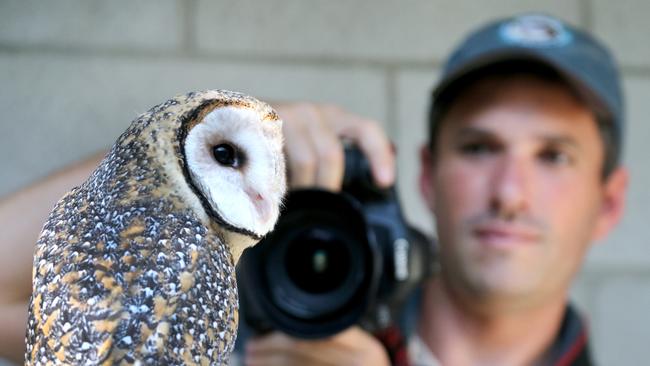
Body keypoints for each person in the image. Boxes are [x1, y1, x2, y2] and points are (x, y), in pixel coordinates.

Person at [0, 13, 627, 366]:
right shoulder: (254, 319)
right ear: (429, 176)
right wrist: (210, 147)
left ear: (609, 204)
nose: (510, 193)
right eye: (480, 148)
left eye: (554, 156)